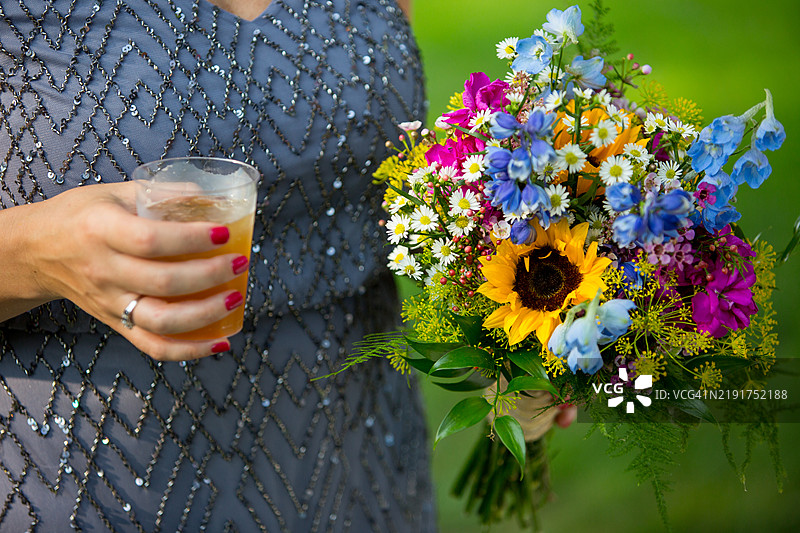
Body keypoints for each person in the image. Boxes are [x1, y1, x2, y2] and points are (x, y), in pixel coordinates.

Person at [0, 0, 435, 531]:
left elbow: (394, 163)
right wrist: (35, 254)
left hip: (367, 474)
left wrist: (516, 301)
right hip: (90, 488)